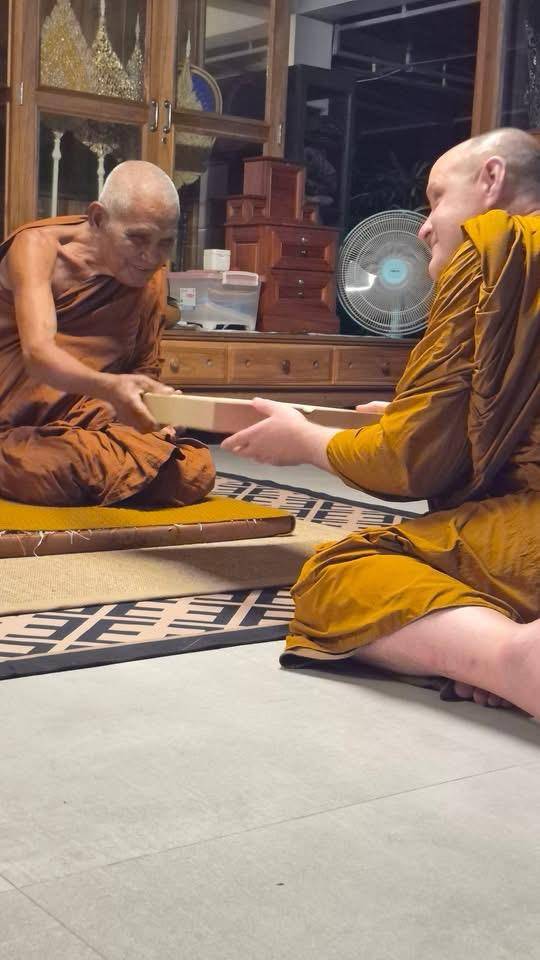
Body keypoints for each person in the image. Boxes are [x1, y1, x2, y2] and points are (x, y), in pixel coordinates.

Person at [221, 128, 540, 716]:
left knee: (340, 572)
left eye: (436, 200)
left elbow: (411, 462)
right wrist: (408, 415)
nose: (423, 228)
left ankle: (510, 659)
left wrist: (306, 440)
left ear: (492, 180)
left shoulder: (497, 248)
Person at [0, 161, 215, 506]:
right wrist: (112, 388)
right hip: (9, 419)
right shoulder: (37, 248)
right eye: (137, 238)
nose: (151, 257)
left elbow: (142, 367)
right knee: (64, 466)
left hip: (86, 414)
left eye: (165, 243)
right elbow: (38, 355)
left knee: (192, 469)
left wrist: (156, 411)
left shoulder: (150, 277)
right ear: (98, 218)